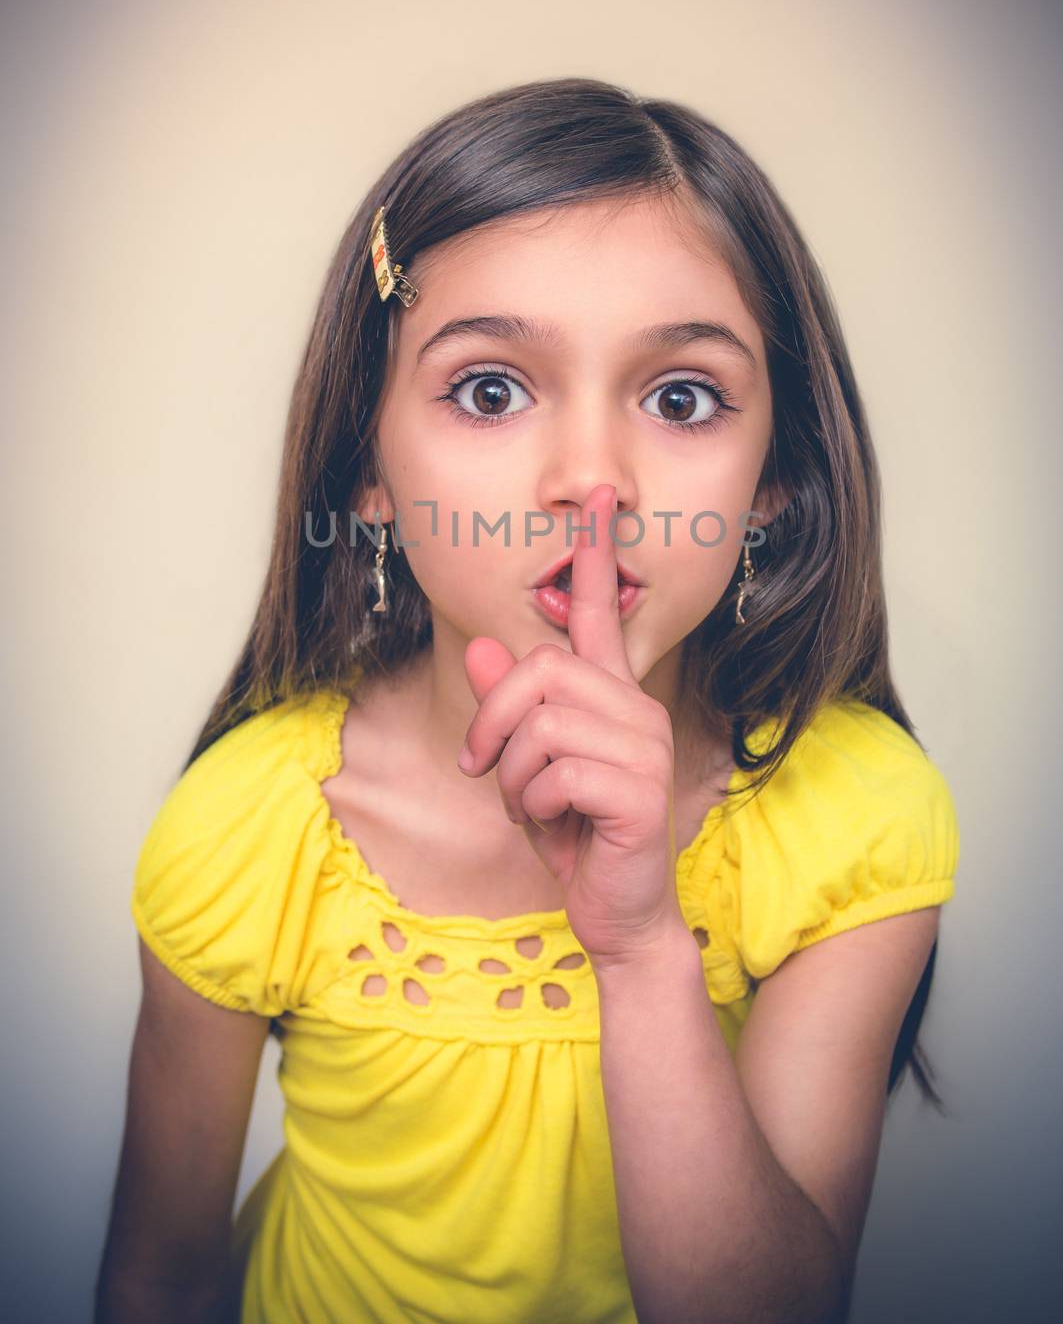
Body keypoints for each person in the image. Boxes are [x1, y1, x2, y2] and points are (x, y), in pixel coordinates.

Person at [95, 77, 960, 1324]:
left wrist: (645, 949)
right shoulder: (251, 828)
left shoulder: (858, 818)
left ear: (774, 484)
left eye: (681, 398)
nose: (591, 481)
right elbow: (158, 1275)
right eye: (491, 389)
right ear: (369, 469)